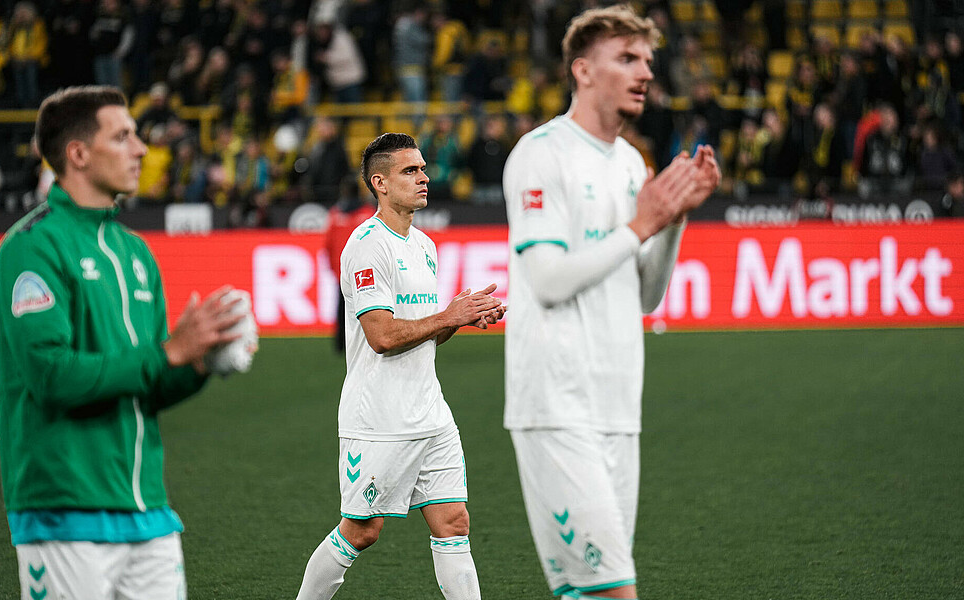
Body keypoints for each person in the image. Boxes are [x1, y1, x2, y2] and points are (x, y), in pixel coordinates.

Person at [0, 86, 253, 600]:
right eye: (123, 136)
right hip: (64, 508)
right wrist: (170, 352)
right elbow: (52, 378)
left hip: (147, 510)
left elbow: (147, 384)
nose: (141, 150)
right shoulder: (30, 248)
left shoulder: (135, 253)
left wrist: (200, 362)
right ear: (79, 154)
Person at [502, 6, 720, 600]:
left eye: (647, 60)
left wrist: (670, 221)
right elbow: (545, 281)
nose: (645, 71)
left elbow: (645, 294)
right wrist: (642, 223)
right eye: (626, 58)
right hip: (556, 405)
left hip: (619, 408)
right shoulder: (540, 154)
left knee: (591, 592)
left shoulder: (629, 163)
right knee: (610, 594)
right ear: (583, 70)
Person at [294, 133, 505, 600]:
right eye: (410, 171)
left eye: (423, 168)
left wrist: (461, 315)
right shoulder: (367, 246)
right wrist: (449, 315)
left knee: (453, 522)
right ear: (380, 183)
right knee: (362, 530)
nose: (424, 177)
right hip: (380, 418)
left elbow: (426, 331)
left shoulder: (425, 246)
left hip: (430, 410)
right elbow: (383, 336)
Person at [323, 175, 376, 352]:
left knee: (342, 307)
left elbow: (328, 245)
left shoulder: (335, 214)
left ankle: (340, 343)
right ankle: (367, 342)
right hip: (365, 271)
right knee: (368, 307)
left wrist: (333, 269)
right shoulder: (368, 213)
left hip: (342, 271)